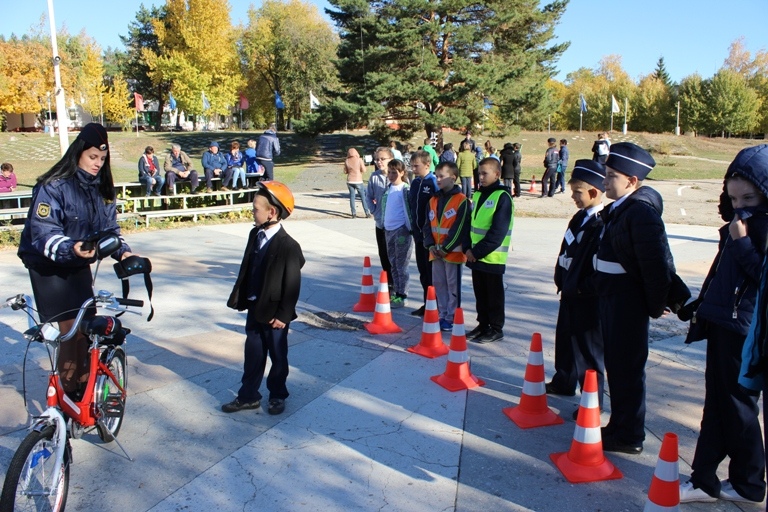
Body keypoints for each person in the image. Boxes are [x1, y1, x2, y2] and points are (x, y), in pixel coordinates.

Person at [17, 123, 135, 397]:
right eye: (92, 157)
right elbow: (43, 233)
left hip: (77, 260)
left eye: (102, 158)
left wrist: (124, 252)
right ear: (78, 153)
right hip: (47, 264)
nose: (98, 163)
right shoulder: (53, 186)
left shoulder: (102, 189)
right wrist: (72, 248)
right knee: (70, 330)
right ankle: (70, 398)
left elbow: (110, 230)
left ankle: (84, 389)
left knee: (86, 327)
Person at [679, 144, 768, 504]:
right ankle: (718, 480)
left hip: (742, 330)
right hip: (724, 324)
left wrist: (743, 243)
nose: (740, 204)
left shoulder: (757, 227)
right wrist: (700, 306)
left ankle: (744, 483)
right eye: (733, 198)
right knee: (721, 405)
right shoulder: (741, 222)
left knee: (735, 407)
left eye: (749, 197)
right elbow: (721, 274)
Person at [594, 142, 680, 455]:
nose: (605, 181)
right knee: (617, 368)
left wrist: (654, 305)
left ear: (631, 181)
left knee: (627, 370)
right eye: (605, 174)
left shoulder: (640, 213)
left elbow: (656, 267)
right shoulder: (621, 209)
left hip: (627, 303)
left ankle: (630, 435)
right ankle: (619, 425)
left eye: (611, 176)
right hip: (612, 299)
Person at [223, 181, 305, 416]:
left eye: (256, 209)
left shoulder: (288, 246)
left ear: (272, 212)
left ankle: (277, 394)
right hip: (255, 308)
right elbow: (248, 268)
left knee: (278, 357)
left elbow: (292, 285)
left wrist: (283, 316)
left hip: (275, 315)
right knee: (253, 354)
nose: (252, 212)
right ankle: (248, 396)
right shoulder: (255, 234)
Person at [547, 160, 606, 417]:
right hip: (570, 291)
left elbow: (598, 266)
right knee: (565, 340)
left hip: (587, 297)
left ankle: (592, 402)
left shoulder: (602, 223)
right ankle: (564, 380)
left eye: (577, 192)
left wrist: (582, 288)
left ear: (593, 192)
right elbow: (566, 248)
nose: (573, 197)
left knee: (588, 352)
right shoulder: (580, 217)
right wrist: (561, 278)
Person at [466, 158, 513, 343]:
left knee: (494, 296)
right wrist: (468, 248)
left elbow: (497, 233)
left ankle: (495, 328)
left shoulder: (502, 197)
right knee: (481, 294)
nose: (481, 177)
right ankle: (483, 324)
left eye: (485, 173)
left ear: (497, 174)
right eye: (479, 173)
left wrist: (476, 252)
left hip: (492, 257)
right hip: (475, 256)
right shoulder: (478, 194)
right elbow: (471, 223)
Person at [423, 161, 470, 331]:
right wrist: (430, 245)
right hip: (435, 252)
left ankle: (451, 317)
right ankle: (442, 314)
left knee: (452, 285)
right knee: (439, 284)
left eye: (441, 176)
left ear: (453, 178)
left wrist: (445, 248)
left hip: (452, 253)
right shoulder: (433, 200)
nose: (438, 179)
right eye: (436, 176)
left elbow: (460, 228)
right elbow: (427, 225)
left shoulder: (462, 201)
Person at [408, 150, 438, 316]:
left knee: (432, 273)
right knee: (423, 273)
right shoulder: (415, 183)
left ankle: (435, 305)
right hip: (418, 235)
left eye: (416, 166)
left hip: (430, 237)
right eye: (412, 166)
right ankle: (427, 303)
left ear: (427, 165)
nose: (413, 169)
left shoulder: (433, 182)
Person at [382, 159, 413, 308]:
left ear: (402, 173)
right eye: (389, 172)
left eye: (394, 172)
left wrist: (409, 227)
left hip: (401, 230)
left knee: (401, 265)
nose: (391, 175)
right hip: (388, 229)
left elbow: (409, 209)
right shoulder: (388, 189)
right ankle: (396, 291)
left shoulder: (405, 189)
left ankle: (403, 294)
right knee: (393, 263)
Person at [366, 147, 394, 286]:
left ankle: (398, 284)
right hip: (380, 222)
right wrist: (374, 211)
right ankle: (389, 283)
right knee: (383, 253)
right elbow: (368, 197)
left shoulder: (397, 176)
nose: (379, 162)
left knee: (395, 255)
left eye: (382, 159)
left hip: (395, 224)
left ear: (391, 159)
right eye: (377, 159)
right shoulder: (374, 176)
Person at [343, 148, 370, 219]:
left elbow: (345, 171)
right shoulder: (359, 160)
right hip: (358, 180)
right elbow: (364, 170)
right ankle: (367, 212)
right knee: (363, 197)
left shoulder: (347, 161)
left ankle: (353, 213)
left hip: (350, 181)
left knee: (352, 197)